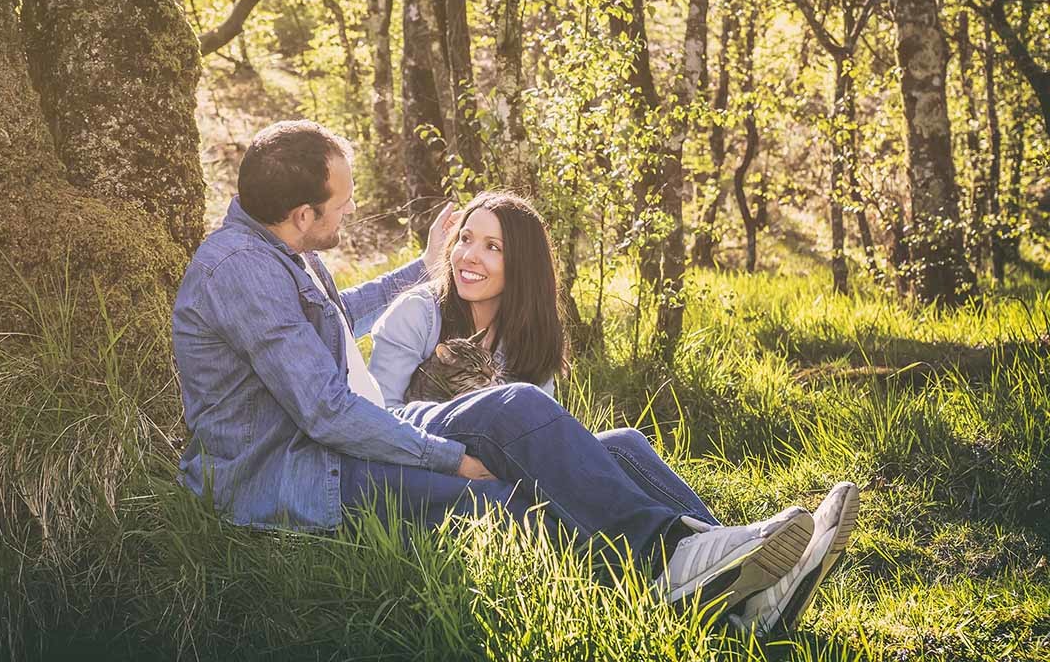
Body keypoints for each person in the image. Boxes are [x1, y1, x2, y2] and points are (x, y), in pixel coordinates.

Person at [172, 120, 836, 627]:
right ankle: (696, 582)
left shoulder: (283, 251)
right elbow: (325, 414)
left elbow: (337, 319)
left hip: (340, 436)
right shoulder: (243, 272)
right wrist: (448, 459)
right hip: (297, 471)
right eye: (342, 202)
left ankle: (732, 569)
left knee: (580, 431)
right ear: (302, 215)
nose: (350, 210)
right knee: (508, 503)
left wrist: (420, 265)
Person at [367, 191, 859, 636]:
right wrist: (459, 460)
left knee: (623, 443)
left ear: (524, 265)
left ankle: (750, 581)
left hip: (499, 466)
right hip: (430, 476)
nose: (469, 256)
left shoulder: (527, 341)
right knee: (527, 414)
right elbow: (377, 419)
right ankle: (690, 556)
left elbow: (546, 446)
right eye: (466, 239)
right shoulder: (420, 311)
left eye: (493, 247)